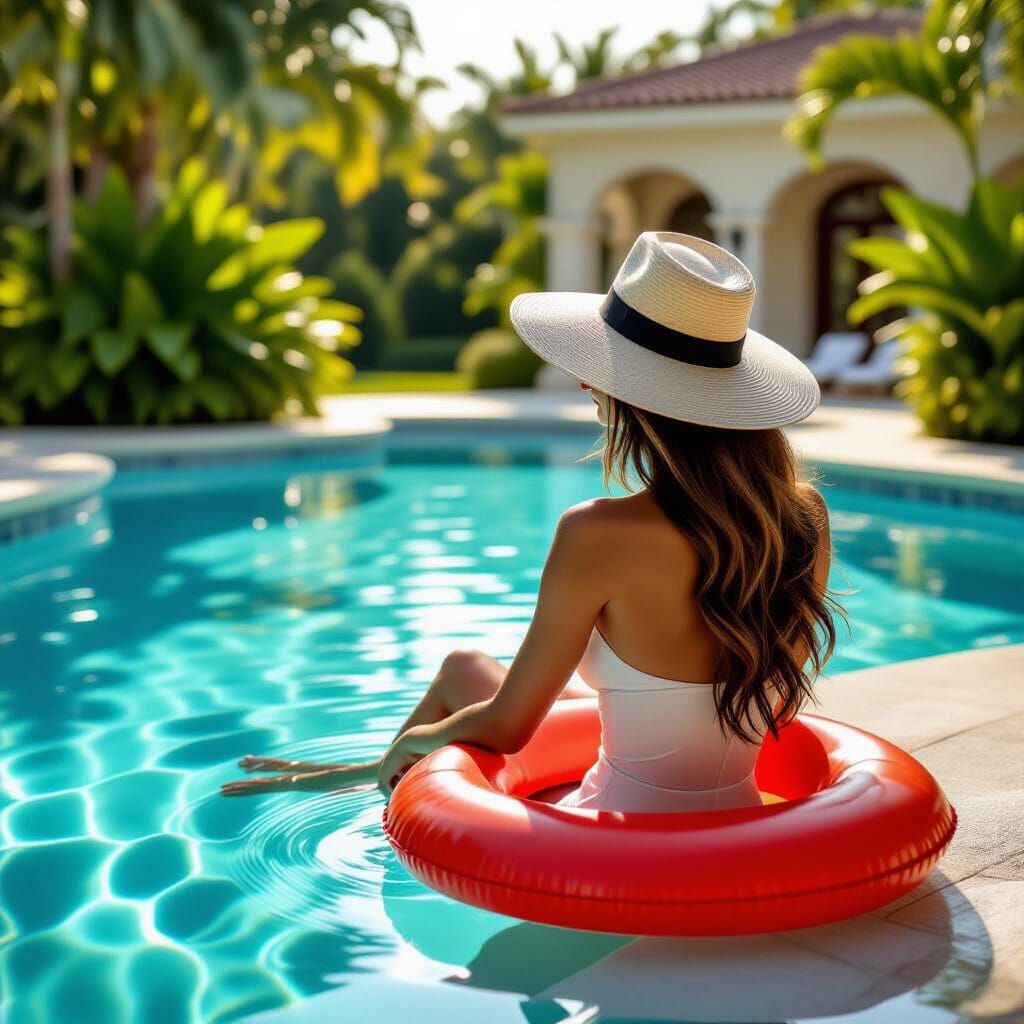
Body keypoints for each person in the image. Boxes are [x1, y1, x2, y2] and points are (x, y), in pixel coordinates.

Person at [221, 231, 844, 809]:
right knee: (465, 666)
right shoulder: (802, 520)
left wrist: (420, 743)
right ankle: (367, 775)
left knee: (452, 715)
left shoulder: (596, 533)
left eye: (601, 369)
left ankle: (378, 786)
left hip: (615, 847)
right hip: (740, 818)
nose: (584, 382)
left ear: (640, 396)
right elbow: (721, 706)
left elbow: (507, 728)